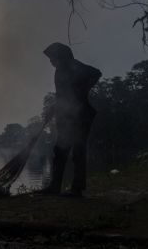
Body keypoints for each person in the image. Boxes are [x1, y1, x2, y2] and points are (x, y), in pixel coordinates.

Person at [41, 42, 101, 197]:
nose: (51, 61)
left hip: (81, 116)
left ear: (61, 56)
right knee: (60, 151)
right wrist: (53, 110)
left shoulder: (74, 66)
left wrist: (81, 91)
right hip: (66, 117)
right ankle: (54, 186)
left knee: (78, 151)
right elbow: (61, 96)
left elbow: (96, 73)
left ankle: (77, 189)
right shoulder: (59, 72)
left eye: (53, 58)